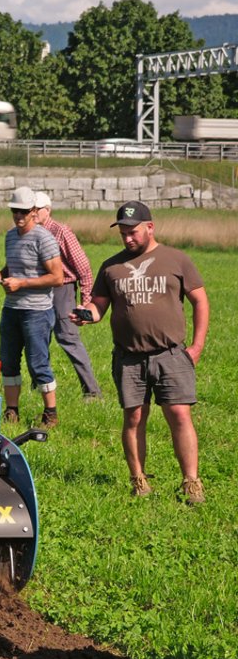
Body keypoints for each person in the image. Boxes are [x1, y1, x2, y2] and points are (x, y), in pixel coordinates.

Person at [73, 201, 209, 504]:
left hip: (171, 354)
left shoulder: (176, 259)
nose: (127, 238)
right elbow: (99, 307)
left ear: (150, 227)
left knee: (179, 416)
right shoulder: (111, 266)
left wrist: (196, 346)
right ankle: (139, 480)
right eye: (123, 233)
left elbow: (201, 301)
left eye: (132, 232)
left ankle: (191, 481)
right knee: (134, 418)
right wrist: (86, 314)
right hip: (129, 356)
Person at [0, 186, 64, 428]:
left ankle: (50, 413)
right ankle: (12, 411)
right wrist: (0, 274)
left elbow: (57, 277)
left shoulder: (45, 239)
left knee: (37, 363)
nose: (18, 216)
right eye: (14, 211)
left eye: (23, 212)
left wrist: (23, 283)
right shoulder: (10, 236)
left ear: (33, 212)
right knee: (8, 361)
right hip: (11, 309)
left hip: (37, 311)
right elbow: (13, 265)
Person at [34, 192, 102, 399]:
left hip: (62, 290)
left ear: (48, 210)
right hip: (38, 290)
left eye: (38, 209)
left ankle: (92, 392)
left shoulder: (61, 231)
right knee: (36, 339)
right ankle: (39, 388)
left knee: (68, 338)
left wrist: (86, 303)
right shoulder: (29, 232)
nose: (34, 213)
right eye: (31, 209)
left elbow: (84, 268)